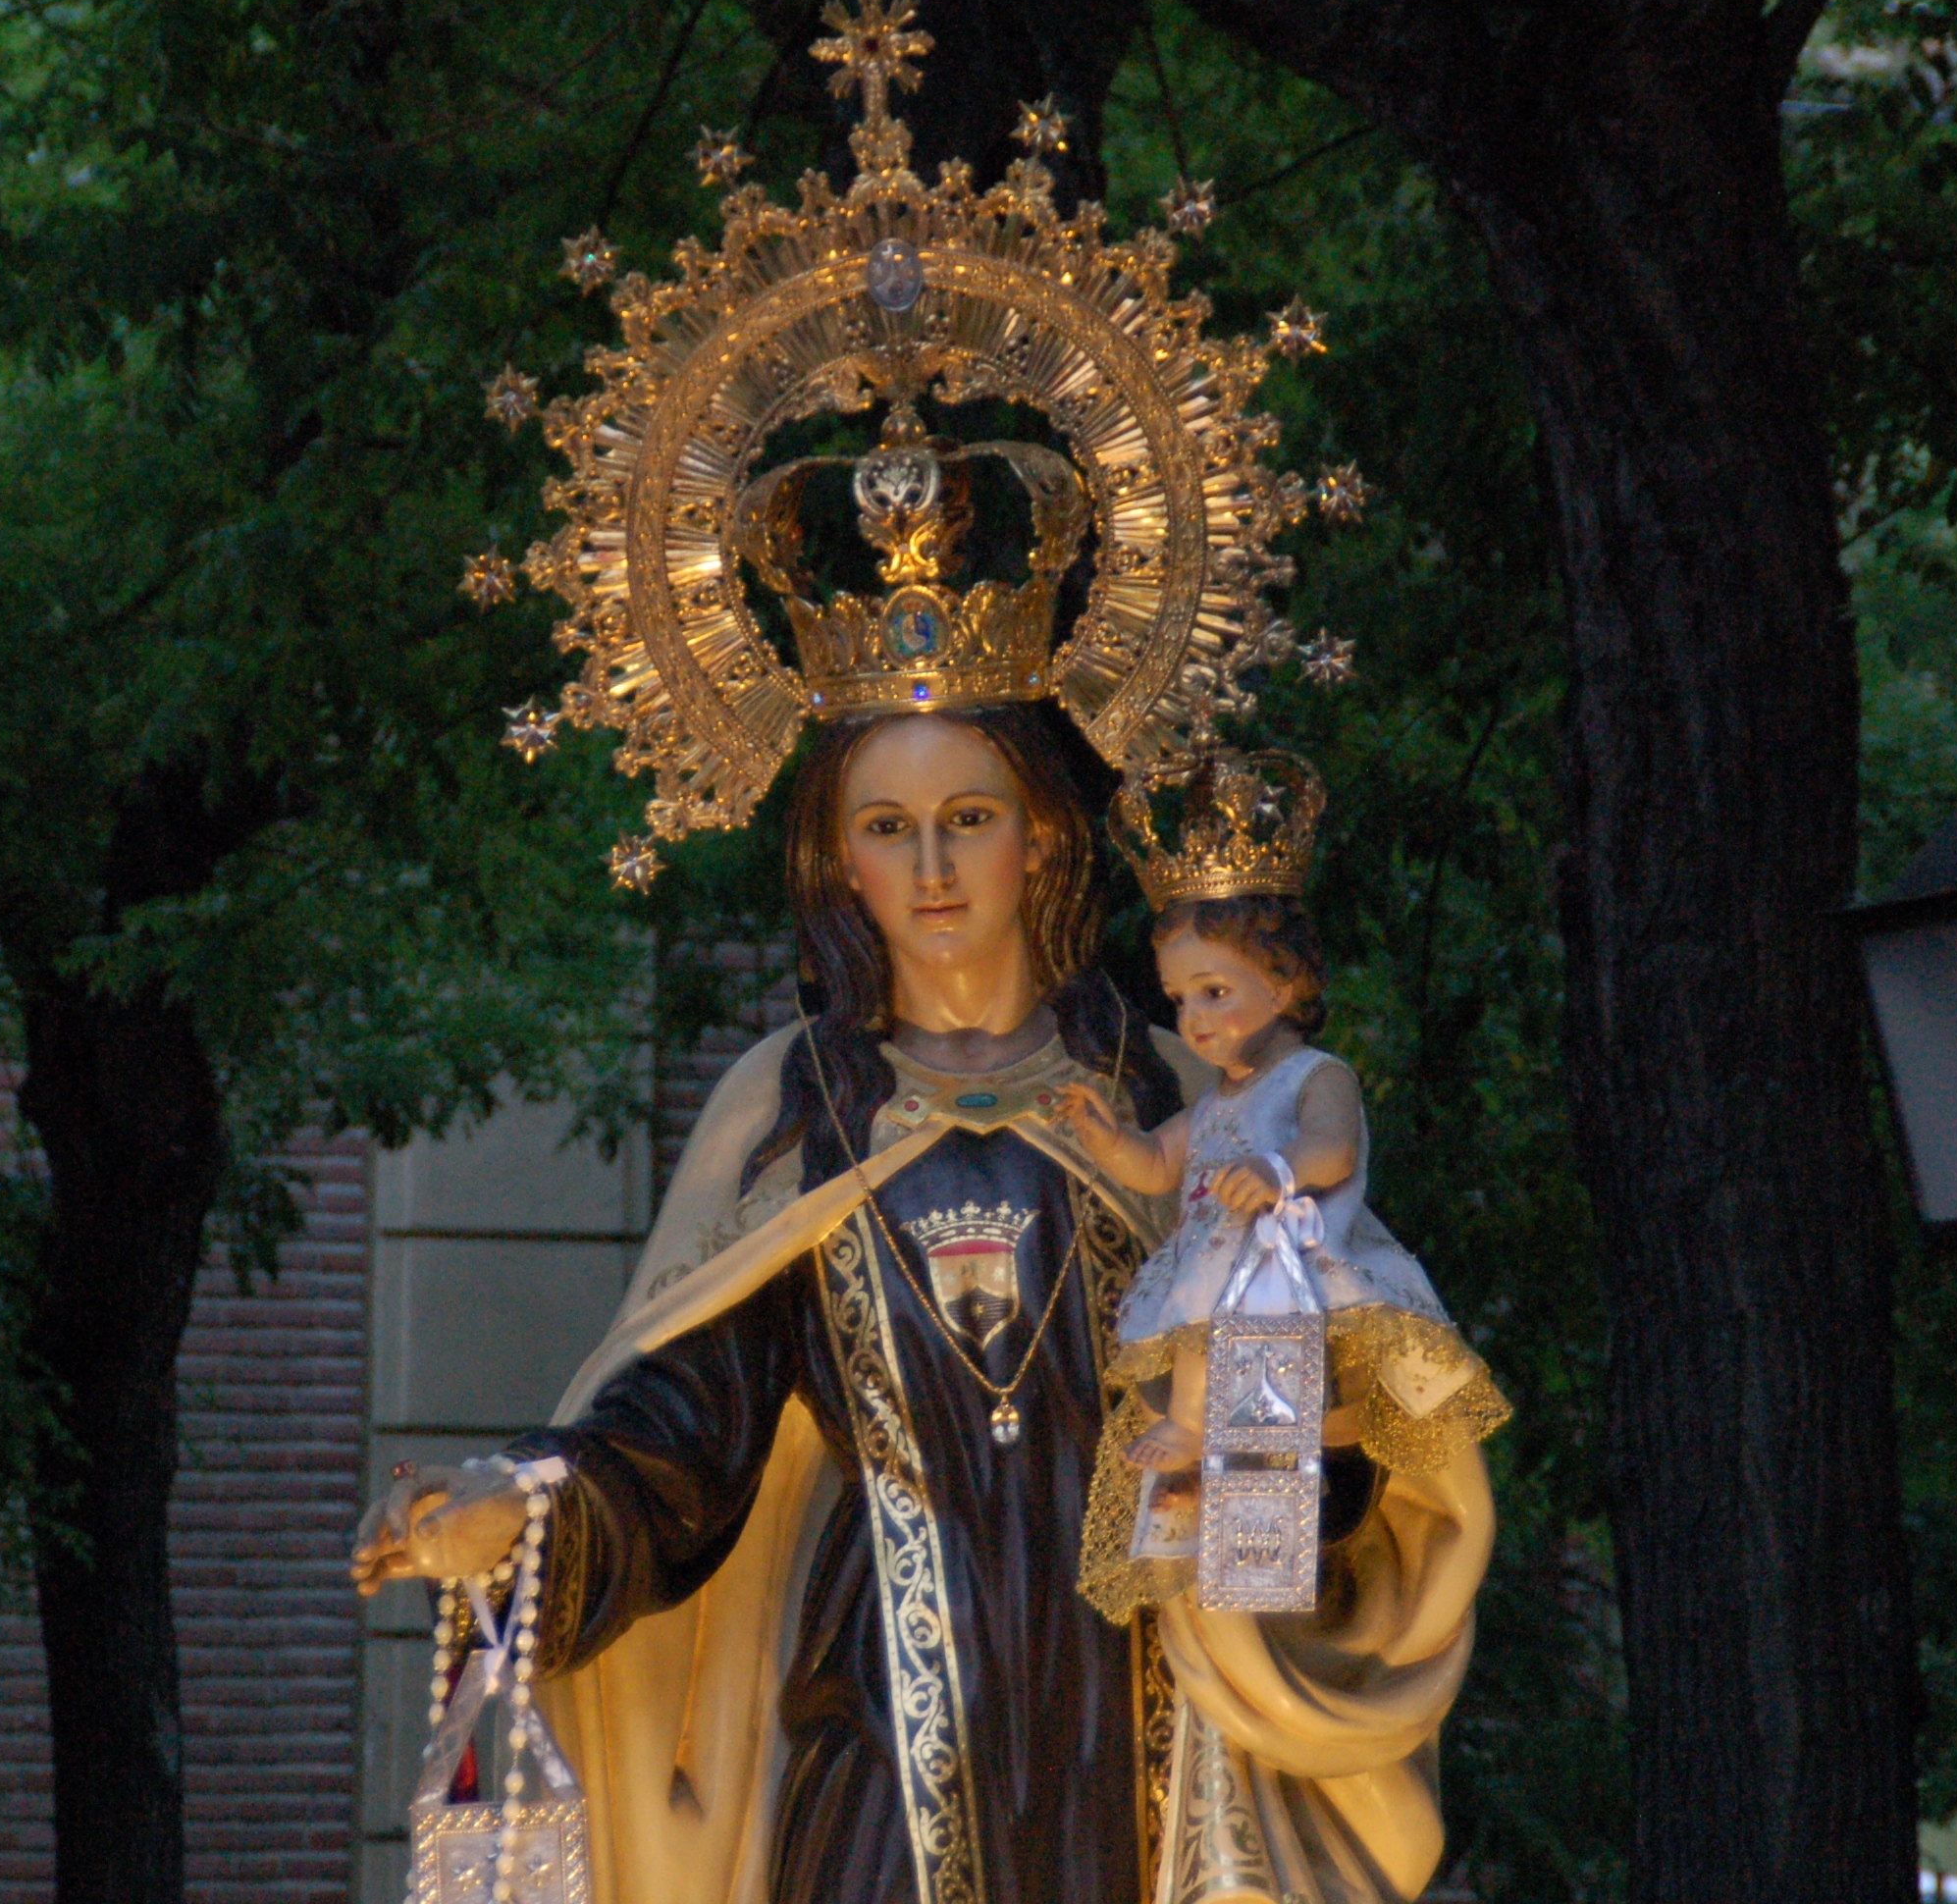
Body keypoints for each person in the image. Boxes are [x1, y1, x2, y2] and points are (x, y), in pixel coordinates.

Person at [352, 708, 1498, 1904]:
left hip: (1137, 1681)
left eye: (969, 819)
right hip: (880, 1699)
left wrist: (1298, 1468)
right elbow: (682, 1430)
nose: (934, 869)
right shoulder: (792, 1113)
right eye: (890, 829)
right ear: (842, 862)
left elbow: (1326, 1355)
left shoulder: (1179, 1094)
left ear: (1043, 840)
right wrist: (522, 1503)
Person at [1057, 753, 1505, 1606]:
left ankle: (1219, 1445)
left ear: (1287, 983)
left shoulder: (1313, 1076)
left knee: (1237, 1334)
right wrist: (1101, 1135)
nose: (1193, 1021)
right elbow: (1155, 1164)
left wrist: (1274, 1167)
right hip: (1221, 1267)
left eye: (1215, 991)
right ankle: (1199, 1442)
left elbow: (1331, 1151)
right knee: (1192, 1328)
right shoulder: (1217, 1098)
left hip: (1295, 1271)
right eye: (1179, 1000)